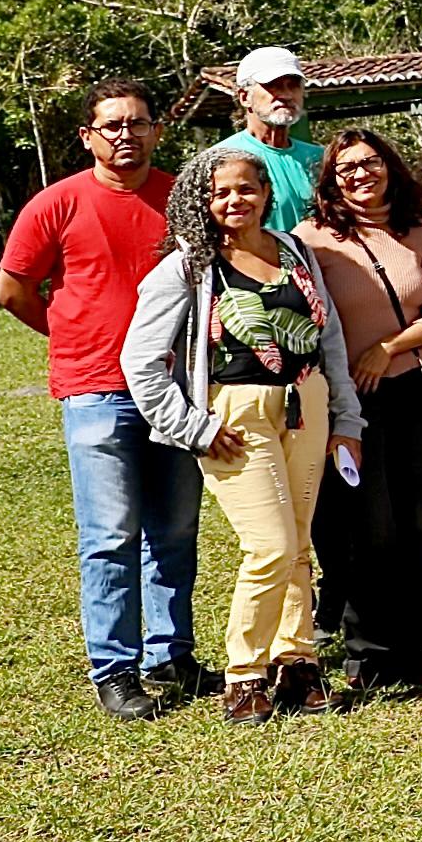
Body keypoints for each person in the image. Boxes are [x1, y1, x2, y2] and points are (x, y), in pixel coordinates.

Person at [120, 146, 365, 725]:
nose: (234, 201)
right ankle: (245, 673)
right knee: (270, 546)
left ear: (265, 193)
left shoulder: (294, 251)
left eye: (245, 189)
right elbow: (140, 360)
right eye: (219, 192)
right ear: (200, 200)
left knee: (299, 543)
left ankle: (296, 662)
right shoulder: (190, 266)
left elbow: (329, 343)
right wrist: (192, 428)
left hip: (307, 404)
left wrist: (347, 420)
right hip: (234, 417)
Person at [0, 79, 205, 718]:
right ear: (88, 136)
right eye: (111, 125)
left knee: (173, 530)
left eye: (137, 123)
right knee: (110, 535)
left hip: (175, 388)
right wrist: (71, 332)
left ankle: (170, 651)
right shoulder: (56, 203)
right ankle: (114, 669)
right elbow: (12, 290)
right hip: (97, 390)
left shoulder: (180, 200)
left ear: (155, 131)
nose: (125, 134)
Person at [298, 128, 422, 699]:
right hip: (350, 402)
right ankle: (369, 649)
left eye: (369, 163)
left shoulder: (419, 230)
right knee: (366, 527)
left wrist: (392, 347)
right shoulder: (312, 241)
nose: (359, 175)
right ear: (331, 180)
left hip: (412, 391)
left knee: (415, 523)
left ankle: (420, 640)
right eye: (346, 169)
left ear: (389, 166)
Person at [213, 44, 325, 232]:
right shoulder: (221, 160)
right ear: (244, 97)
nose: (286, 95)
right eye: (273, 86)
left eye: (293, 86)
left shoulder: (322, 159)